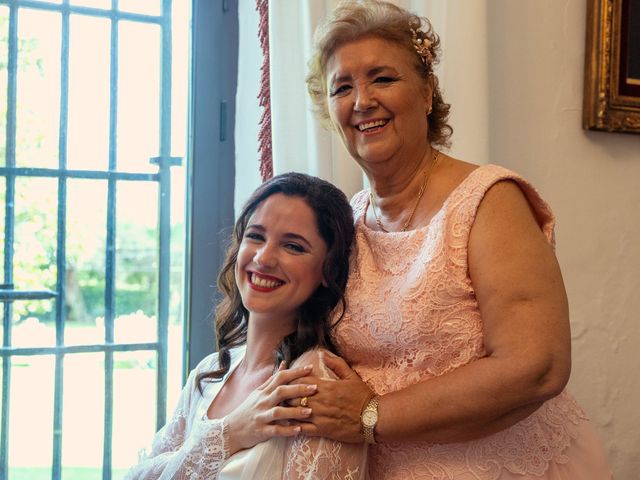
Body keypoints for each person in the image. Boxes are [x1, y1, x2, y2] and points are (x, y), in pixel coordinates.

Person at [298, 1, 614, 479]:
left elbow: (538, 364)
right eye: (342, 87)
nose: (362, 100)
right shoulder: (346, 220)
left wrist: (371, 416)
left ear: (426, 93)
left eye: (382, 78)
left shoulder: (489, 200)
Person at [124, 173, 367, 479]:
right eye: (256, 236)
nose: (264, 258)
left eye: (293, 246)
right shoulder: (209, 373)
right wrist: (229, 433)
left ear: (327, 270)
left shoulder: (312, 388)